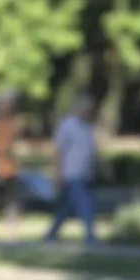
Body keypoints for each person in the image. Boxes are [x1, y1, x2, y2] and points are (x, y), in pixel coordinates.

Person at [44, 94, 97, 245]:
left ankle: (51, 234)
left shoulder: (88, 126)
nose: (89, 113)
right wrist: (58, 173)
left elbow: (90, 150)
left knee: (66, 207)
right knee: (85, 203)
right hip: (71, 173)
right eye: (86, 110)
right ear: (79, 109)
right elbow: (58, 151)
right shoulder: (67, 125)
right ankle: (90, 235)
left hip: (85, 173)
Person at [0, 90, 21, 234]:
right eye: (5, 104)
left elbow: (13, 145)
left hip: (10, 170)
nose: (7, 107)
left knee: (13, 203)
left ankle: (13, 232)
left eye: (9, 105)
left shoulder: (13, 123)